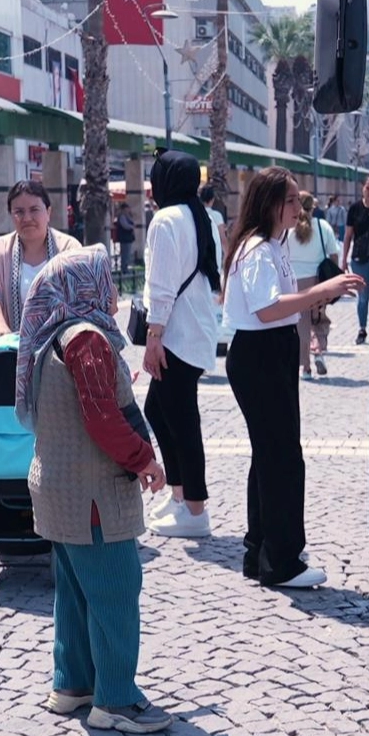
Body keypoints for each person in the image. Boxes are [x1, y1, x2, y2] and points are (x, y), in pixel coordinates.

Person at [16, 246, 173, 733]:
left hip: (60, 488)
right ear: (85, 287)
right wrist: (144, 458)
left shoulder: (55, 333)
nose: (114, 293)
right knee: (115, 588)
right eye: (106, 281)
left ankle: (73, 684)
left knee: (76, 592)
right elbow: (103, 418)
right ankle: (116, 700)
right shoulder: (87, 339)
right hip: (92, 495)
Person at [223, 167, 365, 589]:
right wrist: (323, 290)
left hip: (271, 351)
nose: (297, 208)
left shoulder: (271, 244)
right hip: (260, 354)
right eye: (289, 200)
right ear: (268, 202)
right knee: (282, 457)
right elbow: (268, 309)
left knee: (270, 455)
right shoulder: (257, 249)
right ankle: (282, 562)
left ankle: (262, 550)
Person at [141, 151, 223, 539]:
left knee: (181, 420)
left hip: (175, 334)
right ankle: (180, 497)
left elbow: (161, 285)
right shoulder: (200, 215)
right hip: (195, 330)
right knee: (159, 411)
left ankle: (195, 509)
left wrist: (153, 337)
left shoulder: (165, 220)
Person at [0, 181, 83, 337]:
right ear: (11, 215)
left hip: (63, 349)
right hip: (15, 349)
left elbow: (85, 295)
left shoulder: (69, 247)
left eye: (34, 210)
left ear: (48, 212)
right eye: (19, 212)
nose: (27, 218)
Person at [285, 191, 340, 378]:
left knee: (301, 324)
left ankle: (306, 367)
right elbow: (333, 254)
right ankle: (318, 351)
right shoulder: (323, 226)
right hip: (318, 280)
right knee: (319, 319)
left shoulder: (289, 229)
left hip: (295, 281)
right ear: (313, 207)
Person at [339, 177, 369, 345]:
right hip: (359, 259)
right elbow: (348, 236)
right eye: (367, 187)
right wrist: (344, 259)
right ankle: (362, 328)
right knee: (363, 296)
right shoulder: (354, 209)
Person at [199, 184, 227, 249]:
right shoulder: (217, 216)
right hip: (214, 252)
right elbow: (222, 238)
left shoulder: (197, 214)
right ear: (212, 199)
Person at [112, 202, 137, 273]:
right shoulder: (122, 216)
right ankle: (124, 269)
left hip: (128, 238)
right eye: (127, 208)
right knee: (125, 254)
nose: (128, 210)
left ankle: (125, 268)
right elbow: (125, 225)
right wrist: (132, 227)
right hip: (124, 238)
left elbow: (133, 222)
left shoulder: (127, 216)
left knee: (127, 253)